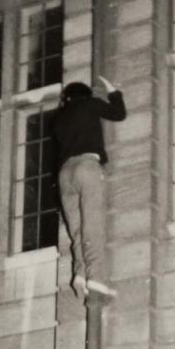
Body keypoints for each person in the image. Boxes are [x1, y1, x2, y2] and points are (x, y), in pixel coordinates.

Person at [53, 76, 127, 297]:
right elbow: (119, 113)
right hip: (87, 167)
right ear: (86, 95)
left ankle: (80, 273)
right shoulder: (90, 104)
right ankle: (95, 279)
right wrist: (113, 91)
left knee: (76, 230)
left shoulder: (58, 118)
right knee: (91, 225)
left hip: (65, 175)